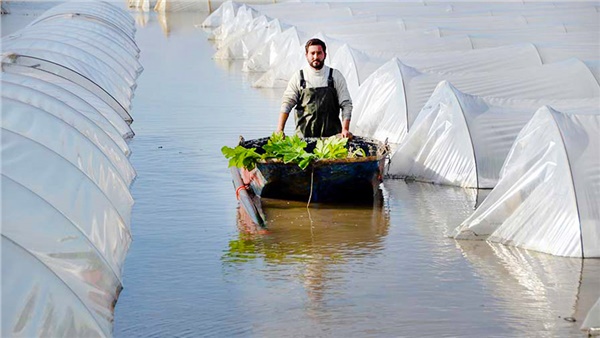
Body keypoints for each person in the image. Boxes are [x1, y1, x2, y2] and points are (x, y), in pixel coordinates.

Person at [276, 38, 353, 138]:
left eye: (319, 53)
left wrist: (345, 129)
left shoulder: (335, 76)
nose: (315, 57)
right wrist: (280, 129)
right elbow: (287, 103)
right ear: (306, 55)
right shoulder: (299, 77)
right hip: (303, 140)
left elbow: (346, 104)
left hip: (332, 139)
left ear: (324, 55)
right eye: (312, 53)